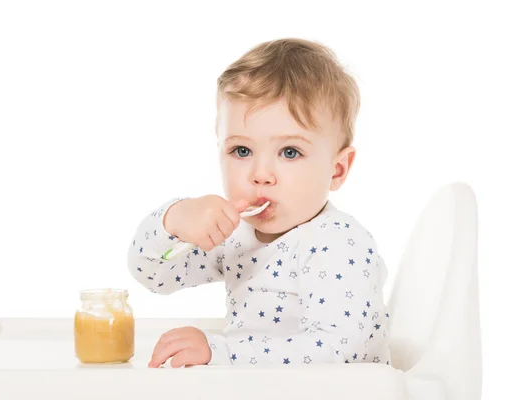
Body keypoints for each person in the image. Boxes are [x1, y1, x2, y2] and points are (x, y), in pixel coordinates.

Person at [128, 38, 391, 368]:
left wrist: (221, 353)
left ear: (336, 170)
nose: (261, 174)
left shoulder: (338, 242)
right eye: (242, 151)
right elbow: (152, 274)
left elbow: (337, 351)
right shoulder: (235, 236)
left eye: (290, 152)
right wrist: (176, 219)